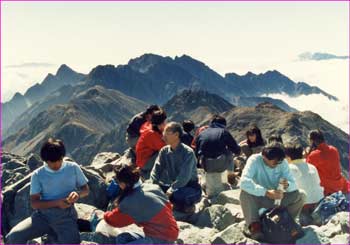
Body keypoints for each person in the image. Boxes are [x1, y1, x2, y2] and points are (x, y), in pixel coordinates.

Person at [6, 138, 89, 244]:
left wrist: (77, 194)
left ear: (62, 157)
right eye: (51, 162)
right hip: (42, 217)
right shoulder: (38, 175)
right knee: (14, 236)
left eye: (59, 161)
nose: (55, 165)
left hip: (66, 217)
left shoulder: (73, 168)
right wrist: (58, 203)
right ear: (44, 160)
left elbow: (85, 189)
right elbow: (34, 203)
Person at [239, 142, 306, 241]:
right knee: (244, 193)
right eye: (274, 162)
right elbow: (243, 182)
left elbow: (294, 185)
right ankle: (256, 227)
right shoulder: (254, 160)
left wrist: (287, 185)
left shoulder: (282, 162)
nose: (277, 164)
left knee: (301, 195)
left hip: (278, 201)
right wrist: (266, 192)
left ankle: (286, 222)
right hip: (261, 198)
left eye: (279, 162)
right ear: (264, 157)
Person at [103, 165, 179, 244]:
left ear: (124, 183)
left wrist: (105, 215)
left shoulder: (129, 201)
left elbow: (114, 221)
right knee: (122, 238)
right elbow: (169, 207)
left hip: (161, 238)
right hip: (169, 233)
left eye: (118, 182)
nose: (118, 185)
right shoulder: (153, 187)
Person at [150, 122, 202, 213]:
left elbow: (184, 177)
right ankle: (176, 205)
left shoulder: (188, 153)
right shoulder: (164, 151)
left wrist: (171, 190)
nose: (163, 137)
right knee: (150, 188)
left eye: (166, 134)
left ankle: (187, 207)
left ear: (176, 135)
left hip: (190, 187)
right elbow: (156, 169)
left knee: (177, 194)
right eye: (163, 134)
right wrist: (153, 184)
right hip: (173, 186)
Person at [195, 115, 241, 197]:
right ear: (224, 125)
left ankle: (206, 183)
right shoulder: (224, 132)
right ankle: (230, 178)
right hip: (219, 165)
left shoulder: (202, 133)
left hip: (205, 165)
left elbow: (196, 153)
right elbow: (236, 150)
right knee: (229, 153)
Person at [284, 143, 324, 226]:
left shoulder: (289, 168)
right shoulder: (312, 166)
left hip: (304, 209)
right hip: (319, 205)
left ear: (288, 157)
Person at [306, 129, 348, 195]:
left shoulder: (314, 155)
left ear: (312, 141)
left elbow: (307, 169)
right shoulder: (334, 149)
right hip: (339, 185)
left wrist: (307, 155)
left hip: (327, 189)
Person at [135, 109, 167, 179]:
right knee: (166, 153)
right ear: (160, 124)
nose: (166, 124)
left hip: (145, 159)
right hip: (145, 163)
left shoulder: (153, 129)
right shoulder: (151, 134)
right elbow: (165, 147)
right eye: (164, 122)